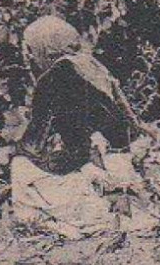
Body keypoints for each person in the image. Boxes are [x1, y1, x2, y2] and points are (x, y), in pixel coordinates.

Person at [10, 14, 147, 239]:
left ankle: (45, 220)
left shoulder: (52, 79)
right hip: (125, 166)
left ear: (45, 49)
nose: (32, 59)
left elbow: (33, 144)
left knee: (20, 166)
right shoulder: (94, 67)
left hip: (97, 170)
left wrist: (16, 150)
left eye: (33, 51)